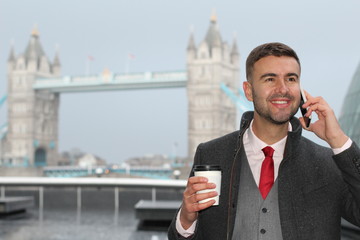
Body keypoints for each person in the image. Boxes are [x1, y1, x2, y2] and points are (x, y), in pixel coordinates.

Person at [168, 42, 360, 240]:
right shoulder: (211, 154)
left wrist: (338, 139)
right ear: (248, 90)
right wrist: (186, 220)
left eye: (291, 79)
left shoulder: (328, 162)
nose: (283, 89)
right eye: (270, 79)